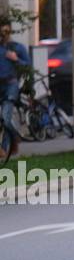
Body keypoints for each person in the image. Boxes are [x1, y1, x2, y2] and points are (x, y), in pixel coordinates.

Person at [1, 20, 31, 159]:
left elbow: (28, 66)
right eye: (1, 32)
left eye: (6, 32)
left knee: (6, 117)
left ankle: (3, 149)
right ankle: (14, 137)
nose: (3, 35)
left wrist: (16, 59)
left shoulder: (17, 48)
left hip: (10, 85)